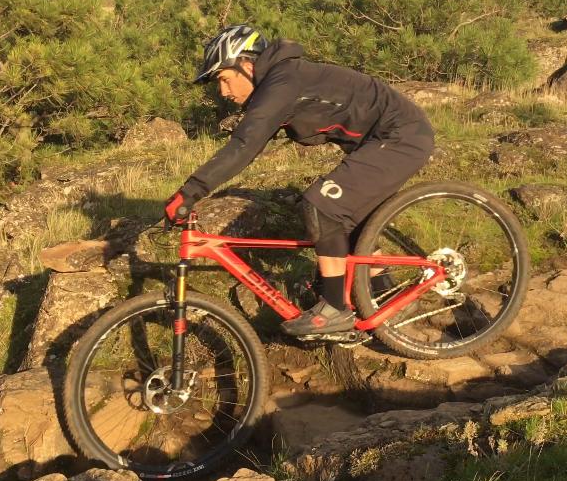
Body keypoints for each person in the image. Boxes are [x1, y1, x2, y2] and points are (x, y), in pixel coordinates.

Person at [164, 25, 434, 336]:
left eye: (224, 79)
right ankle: (387, 295)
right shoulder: (280, 82)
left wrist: (190, 191)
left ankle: (334, 309)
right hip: (385, 139)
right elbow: (253, 143)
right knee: (344, 218)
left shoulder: (283, 81)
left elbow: (244, 144)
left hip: (401, 136)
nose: (223, 92)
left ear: (247, 65)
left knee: (320, 206)